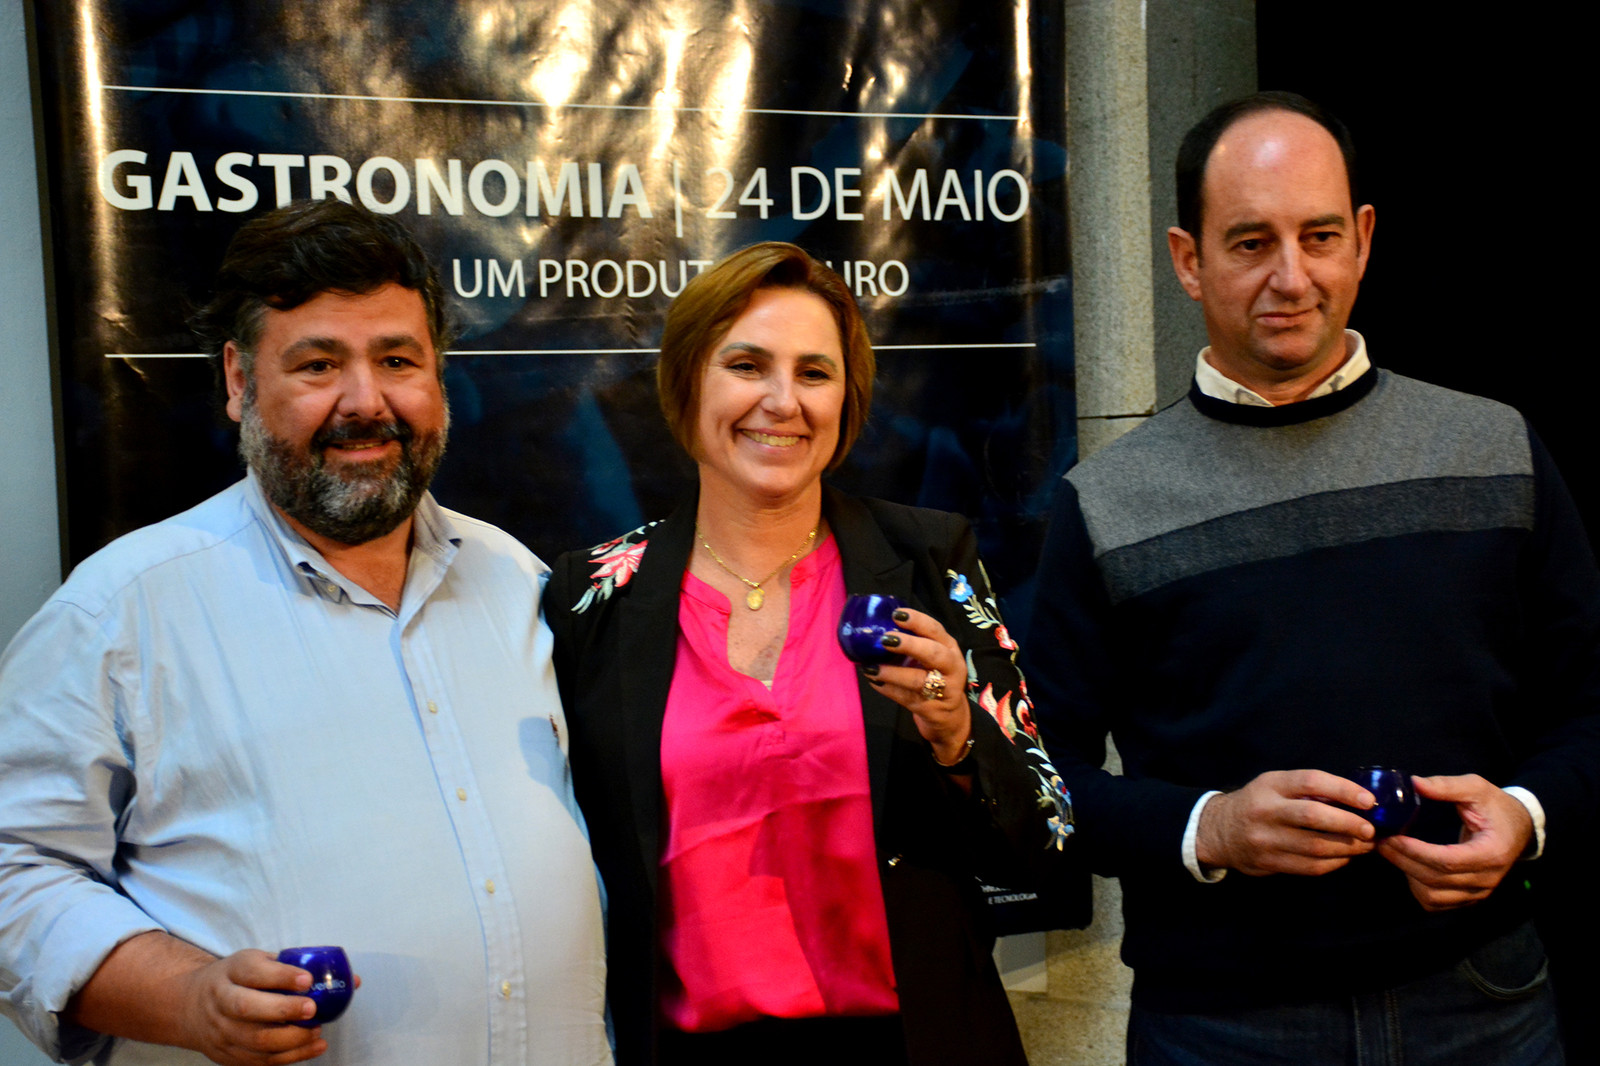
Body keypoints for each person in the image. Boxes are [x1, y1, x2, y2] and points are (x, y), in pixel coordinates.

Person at [1026, 91, 1599, 1064]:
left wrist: (1527, 814)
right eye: (1250, 242)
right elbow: (1040, 784)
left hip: (1482, 1004)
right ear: (1186, 259)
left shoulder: (1494, 447)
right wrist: (1208, 827)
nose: (1290, 277)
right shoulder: (1103, 502)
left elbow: (1590, 706)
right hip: (1221, 1025)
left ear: (1363, 239)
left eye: (1319, 235)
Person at [0, 200, 611, 1066]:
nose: (366, 402)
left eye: (397, 359)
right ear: (240, 381)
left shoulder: (514, 579)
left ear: (438, 378)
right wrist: (189, 998)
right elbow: (12, 869)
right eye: (319, 364)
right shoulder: (124, 613)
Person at [544, 241, 1072, 1066]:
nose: (781, 401)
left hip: (915, 1043)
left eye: (815, 373)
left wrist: (959, 733)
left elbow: (1048, 837)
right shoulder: (593, 595)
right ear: (689, 383)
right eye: (748, 365)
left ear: (847, 399)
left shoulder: (931, 559)